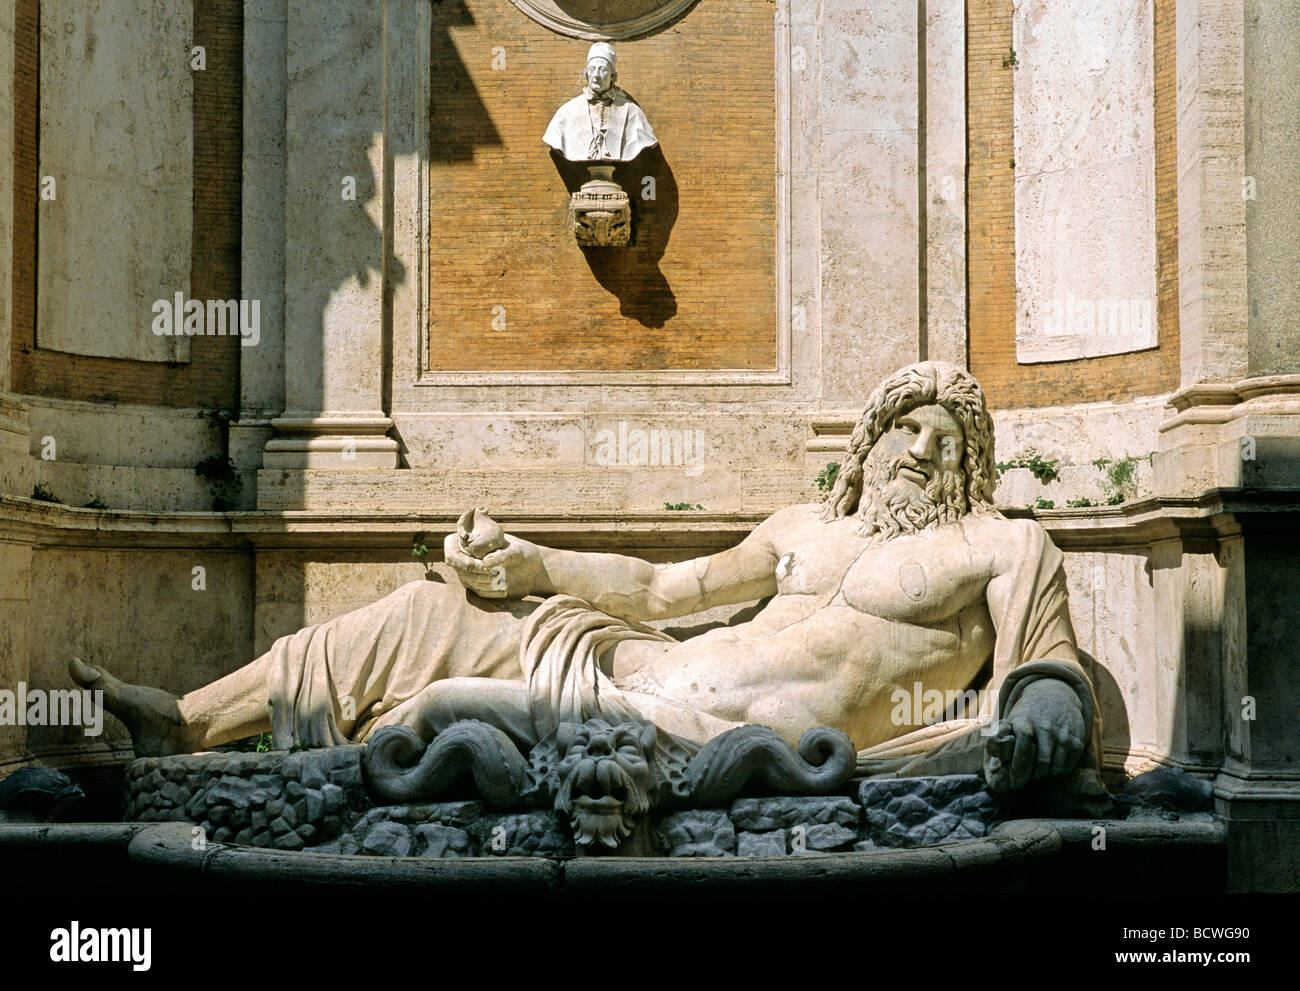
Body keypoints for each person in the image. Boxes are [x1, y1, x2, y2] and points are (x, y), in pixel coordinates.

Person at [71, 361, 1102, 794]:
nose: (919, 448)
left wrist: (1051, 697)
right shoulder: (801, 527)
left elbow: (1044, 667)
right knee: (433, 607)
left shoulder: (999, 547)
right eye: (902, 428)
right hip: (649, 661)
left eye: (944, 434)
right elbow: (661, 592)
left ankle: (302, 790)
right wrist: (526, 562)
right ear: (869, 444)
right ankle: (189, 722)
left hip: (729, 738)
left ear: (971, 459)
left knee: (445, 707)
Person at [542, 42, 658, 163]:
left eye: (602, 69)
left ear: (613, 76)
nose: (596, 75)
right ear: (586, 74)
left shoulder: (632, 112)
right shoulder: (568, 111)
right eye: (592, 69)